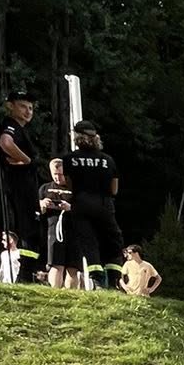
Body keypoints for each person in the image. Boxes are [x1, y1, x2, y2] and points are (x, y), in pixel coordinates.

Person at [63, 122, 123, 290]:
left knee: (88, 242)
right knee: (112, 241)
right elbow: (114, 189)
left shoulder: (69, 159)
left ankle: (97, 280)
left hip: (81, 203)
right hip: (104, 204)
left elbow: (69, 185)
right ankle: (113, 280)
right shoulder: (107, 160)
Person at [0, 95, 42, 285]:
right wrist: (27, 160)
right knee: (27, 227)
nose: (27, 111)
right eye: (23, 106)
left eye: (30, 108)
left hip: (25, 186)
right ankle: (25, 274)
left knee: (29, 228)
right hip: (20, 185)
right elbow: (6, 142)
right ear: (11, 106)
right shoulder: (11, 125)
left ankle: (27, 272)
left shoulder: (21, 129)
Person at [39, 158, 79, 290]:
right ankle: (55, 291)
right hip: (54, 230)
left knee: (72, 267)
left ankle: (71, 294)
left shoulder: (77, 188)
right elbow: (36, 210)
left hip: (74, 230)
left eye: (60, 174)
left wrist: (70, 208)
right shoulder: (45, 188)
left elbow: (86, 208)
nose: (57, 177)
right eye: (54, 174)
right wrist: (42, 204)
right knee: (56, 264)